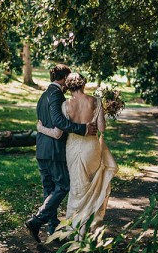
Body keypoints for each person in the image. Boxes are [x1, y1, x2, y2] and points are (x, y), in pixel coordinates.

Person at [37, 72, 118, 239]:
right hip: (91, 149)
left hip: (72, 149)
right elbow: (102, 129)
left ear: (68, 86)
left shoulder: (65, 105)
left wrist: (41, 129)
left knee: (77, 189)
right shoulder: (96, 101)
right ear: (84, 84)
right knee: (91, 187)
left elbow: (59, 132)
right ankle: (89, 229)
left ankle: (75, 232)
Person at [25, 65, 97, 243]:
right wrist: (82, 129)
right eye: (68, 77)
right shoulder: (57, 95)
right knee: (64, 185)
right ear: (64, 77)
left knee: (49, 190)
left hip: (42, 149)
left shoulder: (43, 95)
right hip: (54, 150)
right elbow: (58, 121)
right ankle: (36, 221)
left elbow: (44, 122)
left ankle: (52, 230)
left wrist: (41, 129)